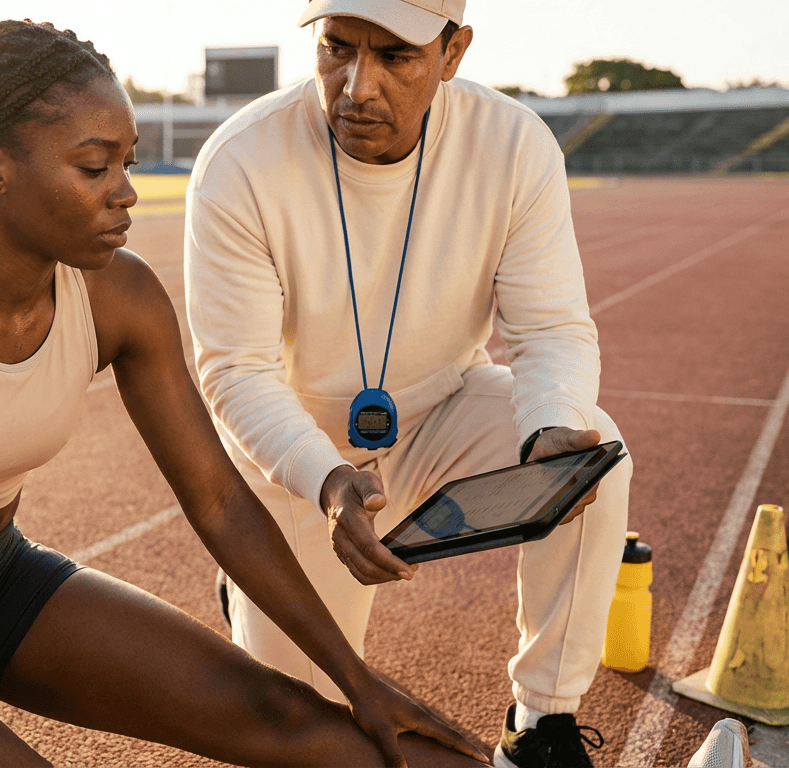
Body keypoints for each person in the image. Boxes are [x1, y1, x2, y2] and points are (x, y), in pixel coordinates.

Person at [0, 19, 493, 768]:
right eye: (94, 168)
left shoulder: (121, 295)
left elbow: (219, 500)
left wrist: (355, 679)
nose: (126, 194)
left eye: (127, 164)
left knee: (310, 725)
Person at [184, 2, 634, 767]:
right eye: (336, 49)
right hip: (298, 459)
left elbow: (551, 329)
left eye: (394, 56)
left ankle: (542, 723)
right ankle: (247, 595)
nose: (356, 87)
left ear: (452, 52)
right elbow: (237, 369)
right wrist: (326, 480)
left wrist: (553, 427)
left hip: (443, 412)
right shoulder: (241, 161)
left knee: (597, 449)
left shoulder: (511, 144)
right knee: (309, 733)